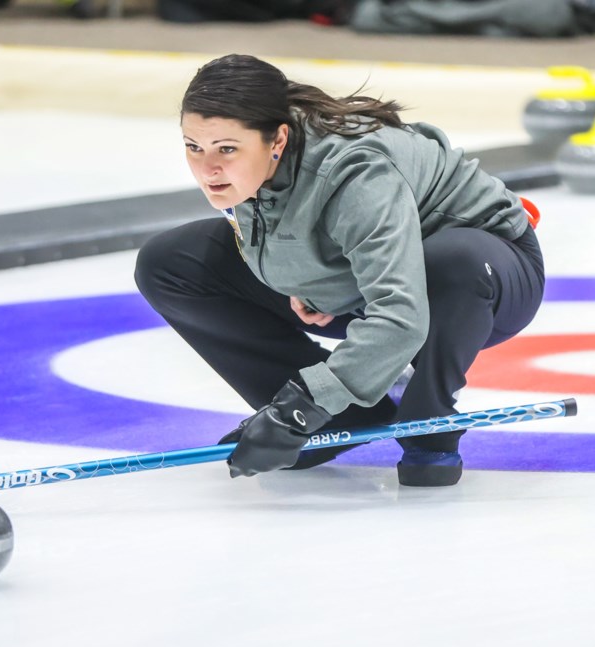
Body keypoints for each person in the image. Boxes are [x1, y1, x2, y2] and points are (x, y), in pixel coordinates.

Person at [135, 54, 544, 486]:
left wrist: (302, 405)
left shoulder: (356, 172)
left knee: (450, 260)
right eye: (193, 146)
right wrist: (305, 281)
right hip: (368, 285)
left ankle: (429, 412)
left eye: (227, 149)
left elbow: (401, 315)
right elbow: (293, 232)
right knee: (171, 263)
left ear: (278, 140)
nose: (206, 168)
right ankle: (344, 413)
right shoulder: (248, 165)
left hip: (485, 281)